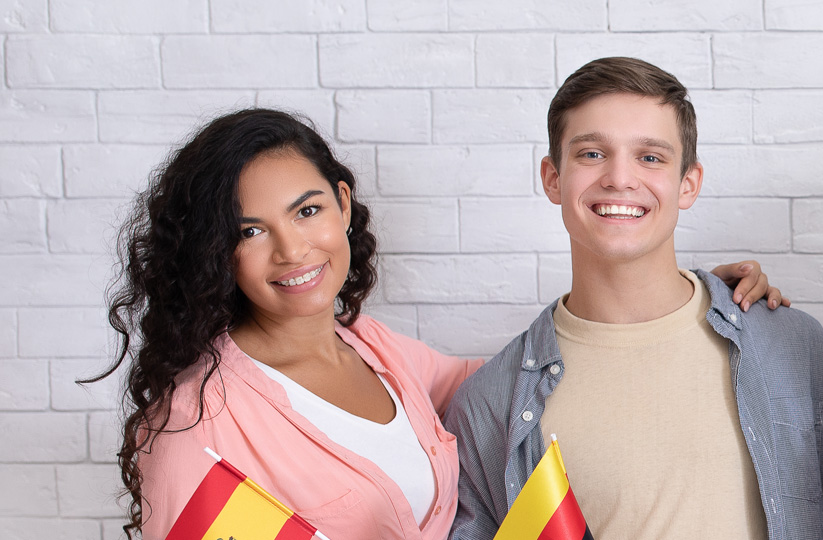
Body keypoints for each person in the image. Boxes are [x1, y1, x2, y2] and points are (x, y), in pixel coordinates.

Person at [90, 107, 782, 540]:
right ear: (217, 250)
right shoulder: (193, 429)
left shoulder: (378, 354)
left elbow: (533, 382)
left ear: (340, 202)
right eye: (250, 230)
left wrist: (681, 300)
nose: (293, 250)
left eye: (306, 212)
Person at [442, 57, 823, 540]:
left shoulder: (791, 346)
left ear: (689, 183)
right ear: (553, 178)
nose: (620, 178)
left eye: (650, 157)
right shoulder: (491, 404)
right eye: (591, 154)